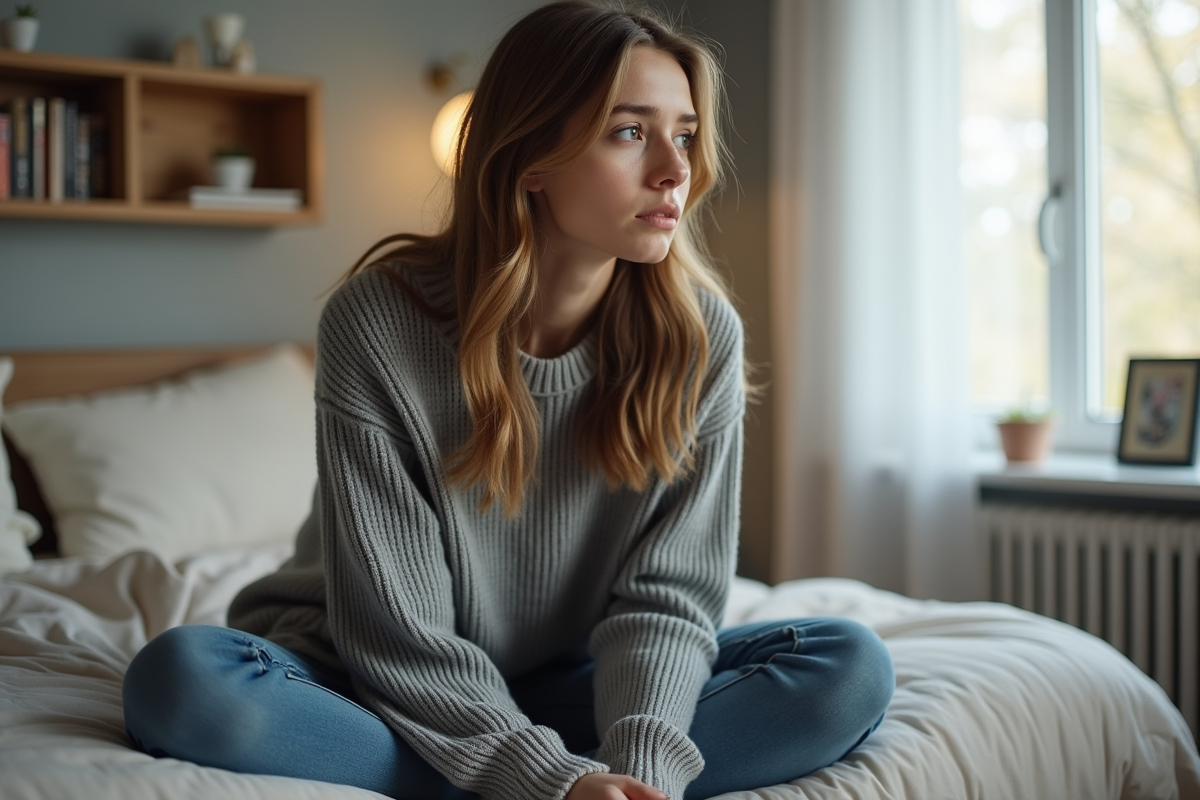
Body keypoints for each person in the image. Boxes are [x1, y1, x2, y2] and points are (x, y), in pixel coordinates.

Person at [121, 3, 894, 799]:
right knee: (181, 680)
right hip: (363, 670)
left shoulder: (699, 338)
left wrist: (645, 771)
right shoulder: (379, 322)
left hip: (566, 680)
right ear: (531, 156)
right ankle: (511, 776)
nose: (674, 169)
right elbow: (398, 627)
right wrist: (544, 779)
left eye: (686, 134)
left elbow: (666, 603)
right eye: (630, 132)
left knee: (845, 667)